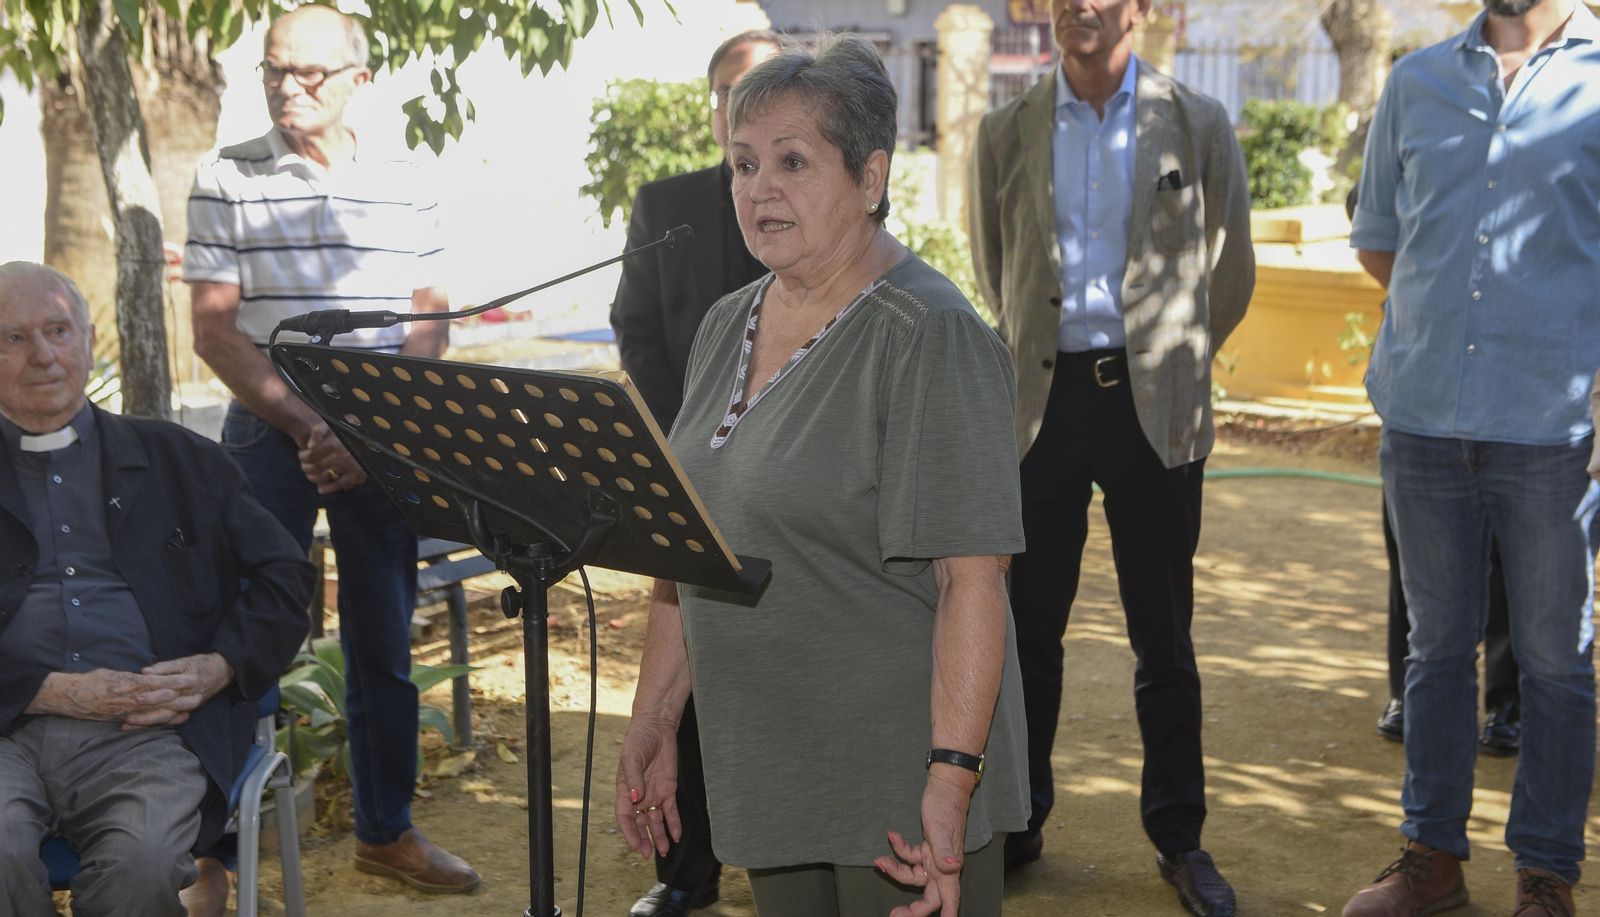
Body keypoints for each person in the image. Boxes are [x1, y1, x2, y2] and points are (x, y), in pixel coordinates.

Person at [614, 35, 1029, 917]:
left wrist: (950, 782)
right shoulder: (728, 323)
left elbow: (973, 580)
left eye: (792, 161)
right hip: (769, 763)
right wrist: (655, 718)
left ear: (870, 178)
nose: (759, 187)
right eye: (743, 163)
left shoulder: (928, 334)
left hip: (896, 787)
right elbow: (694, 553)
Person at [181, 5, 479, 895]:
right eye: (274, 70)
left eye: (308, 73)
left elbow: (431, 312)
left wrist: (373, 431)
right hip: (267, 430)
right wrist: (309, 425)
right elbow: (212, 328)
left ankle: (386, 829)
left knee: (385, 635)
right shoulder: (223, 174)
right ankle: (215, 852)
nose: (287, 88)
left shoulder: (404, 175)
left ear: (360, 79)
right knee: (245, 633)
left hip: (380, 435)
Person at [968, 0, 1254, 913]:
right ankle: (1019, 820)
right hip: (1041, 411)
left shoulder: (1198, 122)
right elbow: (994, 263)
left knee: (1163, 638)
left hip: (1153, 412)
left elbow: (1230, 269)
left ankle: (1180, 838)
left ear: (1138, 9)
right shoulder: (1006, 127)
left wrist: (1171, 364)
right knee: (1024, 633)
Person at [1342, 0, 1600, 914]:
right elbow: (1381, 239)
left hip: (1550, 428)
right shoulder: (1415, 82)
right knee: (1436, 650)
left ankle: (1545, 872)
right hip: (1421, 420)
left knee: (1555, 660)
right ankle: (1433, 859)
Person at [0, 262, 313, 917]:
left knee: (142, 865)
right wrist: (43, 686)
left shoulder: (182, 459)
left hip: (151, 731)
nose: (43, 356)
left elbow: (286, 577)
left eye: (57, 330)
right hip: (6, 726)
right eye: (13, 338)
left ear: (87, 337)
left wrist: (218, 666)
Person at [608, 29, 781, 917]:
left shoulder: (814, 196)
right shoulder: (664, 203)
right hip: (688, 468)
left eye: (757, 90)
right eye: (725, 94)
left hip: (792, 479)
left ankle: (795, 857)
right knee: (687, 672)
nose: (736, 110)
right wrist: (692, 435)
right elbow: (635, 327)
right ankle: (689, 874)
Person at [1344, 188, 1523, 754]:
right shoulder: (1423, 102)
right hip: (1424, 376)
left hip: (1521, 375)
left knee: (1510, 555)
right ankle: (1409, 692)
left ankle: (1508, 703)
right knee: (1415, 553)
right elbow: (1364, 203)